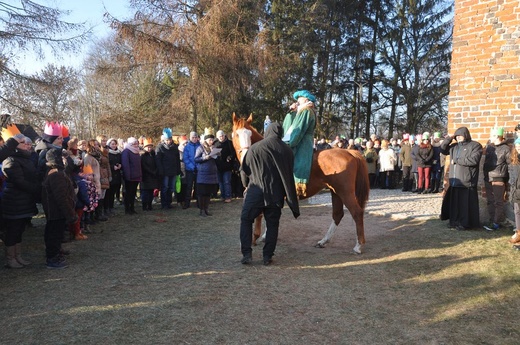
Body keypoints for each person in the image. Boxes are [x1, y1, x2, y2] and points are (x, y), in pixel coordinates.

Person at [240, 122, 300, 265]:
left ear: (267, 132)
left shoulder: (255, 148)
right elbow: (288, 172)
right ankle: (267, 256)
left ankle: (247, 254)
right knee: (272, 224)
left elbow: (244, 170)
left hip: (256, 191)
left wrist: (245, 185)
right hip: (276, 193)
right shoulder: (287, 150)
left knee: (246, 219)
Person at [2, 134, 39, 268]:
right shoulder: (11, 160)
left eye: (27, 143)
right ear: (15, 145)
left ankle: (18, 255)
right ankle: (11, 258)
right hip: (14, 200)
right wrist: (36, 188)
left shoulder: (27, 159)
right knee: (13, 230)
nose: (26, 145)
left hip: (25, 199)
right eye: (23, 143)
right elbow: (19, 181)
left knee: (20, 229)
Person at [440, 127, 483, 230]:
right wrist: (449, 138)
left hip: (467, 181)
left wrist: (457, 160)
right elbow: (443, 149)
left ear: (466, 135)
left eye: (460, 135)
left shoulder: (475, 145)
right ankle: (454, 222)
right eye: (457, 136)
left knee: (465, 206)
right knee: (455, 206)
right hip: (455, 181)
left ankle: (465, 224)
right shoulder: (454, 146)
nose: (458, 138)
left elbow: (474, 160)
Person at [41, 148, 77, 269]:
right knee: (54, 235)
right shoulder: (56, 174)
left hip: (55, 210)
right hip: (56, 211)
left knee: (55, 233)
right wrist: (70, 214)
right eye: (63, 157)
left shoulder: (57, 172)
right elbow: (61, 197)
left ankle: (55, 253)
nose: (65, 159)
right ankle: (52, 258)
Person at [282, 90, 316, 197]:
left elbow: (298, 130)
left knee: (296, 161)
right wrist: (291, 112)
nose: (297, 101)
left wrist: (290, 143)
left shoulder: (306, 111)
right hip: (300, 138)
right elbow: (289, 126)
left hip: (303, 142)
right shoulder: (301, 111)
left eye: (299, 99)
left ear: (306, 99)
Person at [482, 127, 510, 231]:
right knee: (490, 201)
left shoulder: (506, 149)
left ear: (497, 136)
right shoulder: (490, 147)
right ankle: (491, 220)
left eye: (492, 135)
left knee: (498, 202)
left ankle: (496, 223)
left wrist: (507, 178)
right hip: (488, 177)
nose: (490, 137)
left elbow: (509, 164)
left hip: (498, 178)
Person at [194, 128, 218, 216]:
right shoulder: (200, 148)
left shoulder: (213, 147)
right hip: (203, 174)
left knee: (208, 193)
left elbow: (217, 158)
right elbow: (196, 159)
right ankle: (201, 210)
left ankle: (206, 209)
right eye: (209, 139)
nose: (211, 141)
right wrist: (205, 158)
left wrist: (216, 154)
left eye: (212, 139)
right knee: (202, 193)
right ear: (206, 140)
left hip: (212, 174)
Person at [155, 128, 181, 210]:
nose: (168, 141)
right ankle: (164, 203)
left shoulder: (175, 148)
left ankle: (169, 202)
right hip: (165, 171)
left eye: (169, 139)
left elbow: (177, 160)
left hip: (173, 171)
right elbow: (158, 161)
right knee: (165, 187)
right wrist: (161, 171)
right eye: (167, 140)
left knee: (171, 187)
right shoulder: (160, 148)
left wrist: (178, 170)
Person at [121, 137, 142, 215]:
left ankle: (132, 208)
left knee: (133, 193)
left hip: (136, 176)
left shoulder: (137, 152)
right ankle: (127, 209)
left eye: (137, 143)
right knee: (128, 193)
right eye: (134, 143)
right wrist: (128, 176)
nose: (136, 145)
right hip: (129, 177)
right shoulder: (126, 151)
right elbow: (125, 165)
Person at [214, 129, 236, 203]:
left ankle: (228, 196)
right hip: (218, 166)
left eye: (222, 136)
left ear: (224, 135)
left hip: (227, 166)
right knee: (220, 182)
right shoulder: (215, 144)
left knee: (226, 181)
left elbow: (234, 153)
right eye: (219, 136)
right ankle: (222, 196)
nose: (221, 137)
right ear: (217, 137)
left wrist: (230, 157)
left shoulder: (229, 143)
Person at [182, 131, 200, 209]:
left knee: (198, 186)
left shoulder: (200, 146)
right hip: (190, 170)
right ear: (190, 138)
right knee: (189, 186)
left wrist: (198, 167)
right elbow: (185, 159)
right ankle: (187, 203)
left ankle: (199, 202)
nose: (194, 139)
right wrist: (193, 167)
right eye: (193, 137)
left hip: (198, 169)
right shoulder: (187, 147)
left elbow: (201, 157)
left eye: (196, 137)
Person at [140, 138, 159, 211]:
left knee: (151, 192)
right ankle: (144, 206)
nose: (149, 148)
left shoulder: (154, 155)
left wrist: (156, 171)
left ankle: (150, 205)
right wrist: (151, 171)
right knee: (145, 192)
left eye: (150, 146)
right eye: (147, 147)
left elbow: (156, 163)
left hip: (153, 175)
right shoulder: (143, 156)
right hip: (145, 176)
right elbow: (144, 166)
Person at [508, 138, 520, 246]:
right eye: (517, 146)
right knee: (517, 211)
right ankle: (518, 232)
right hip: (516, 191)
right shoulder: (513, 161)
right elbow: (511, 177)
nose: (519, 148)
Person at [106, 138, 122, 215]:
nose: (114, 145)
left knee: (113, 192)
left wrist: (120, 165)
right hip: (110, 174)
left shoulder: (118, 153)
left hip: (117, 174)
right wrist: (113, 167)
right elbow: (107, 163)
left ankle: (111, 207)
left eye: (115, 144)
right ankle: (107, 207)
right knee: (109, 192)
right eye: (112, 144)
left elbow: (121, 161)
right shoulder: (107, 153)